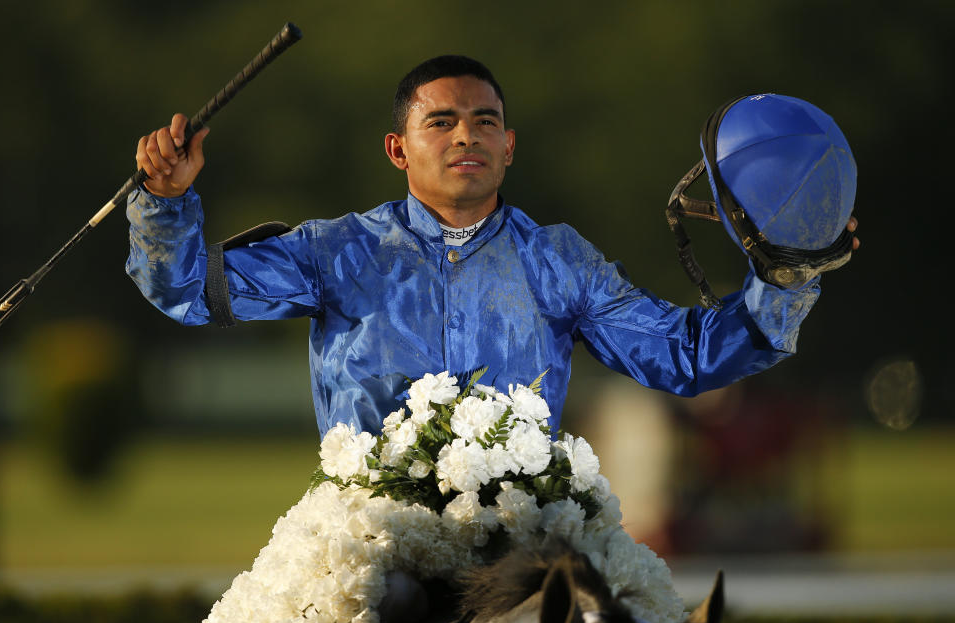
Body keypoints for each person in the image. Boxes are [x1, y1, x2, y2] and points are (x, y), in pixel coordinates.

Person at [127, 55, 859, 438]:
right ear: (397, 149)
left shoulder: (562, 261)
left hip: (523, 540)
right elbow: (189, 291)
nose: (465, 135)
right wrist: (164, 202)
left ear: (509, 147)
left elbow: (684, 356)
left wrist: (785, 277)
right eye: (440, 122)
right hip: (366, 542)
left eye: (484, 122)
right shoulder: (335, 250)